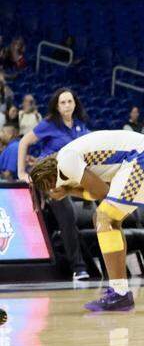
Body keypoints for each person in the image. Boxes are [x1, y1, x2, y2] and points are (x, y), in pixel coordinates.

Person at [27, 130, 144, 312]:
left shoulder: (66, 162)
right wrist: (70, 191)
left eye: (47, 188)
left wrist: (69, 190)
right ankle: (119, 290)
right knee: (107, 219)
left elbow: (102, 192)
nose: (50, 192)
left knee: (105, 217)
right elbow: (96, 192)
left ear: (50, 179)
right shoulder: (66, 159)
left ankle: (120, 293)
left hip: (143, 156)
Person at [16, 88, 92, 279]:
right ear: (57, 106)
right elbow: (24, 142)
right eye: (62, 102)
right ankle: (78, 267)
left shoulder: (81, 127)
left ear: (75, 104)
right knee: (67, 214)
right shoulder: (49, 124)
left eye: (69, 101)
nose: (67, 105)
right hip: (48, 176)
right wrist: (21, 172)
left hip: (72, 178)